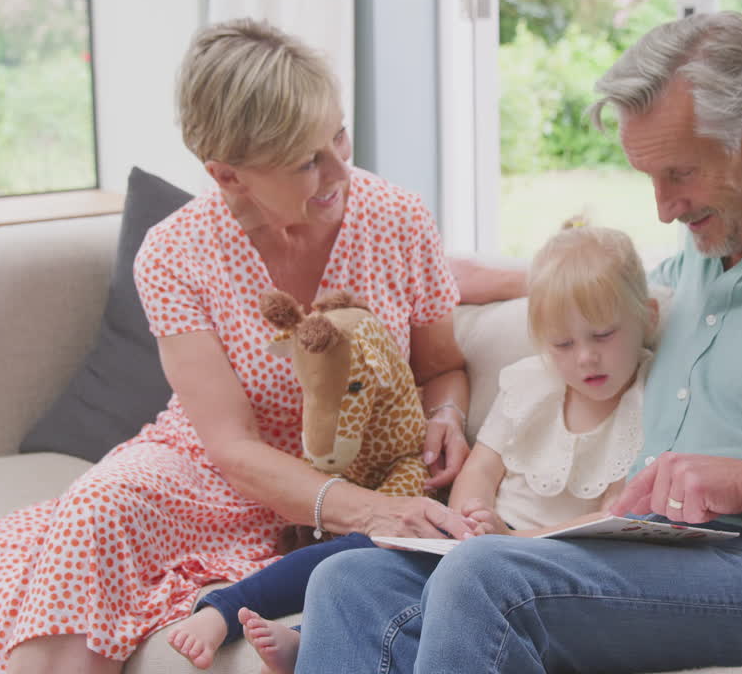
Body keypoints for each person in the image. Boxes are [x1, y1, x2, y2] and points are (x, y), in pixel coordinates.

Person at [289, 11, 742, 673]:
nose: (666, 207)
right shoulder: (717, 237)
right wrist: (503, 277)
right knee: (352, 583)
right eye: (649, 176)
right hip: (647, 548)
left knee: (489, 580)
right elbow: (621, 289)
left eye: (681, 173)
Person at [0, 18, 478, 674]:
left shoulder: (397, 218)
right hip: (214, 476)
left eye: (339, 134)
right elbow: (231, 446)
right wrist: (376, 513)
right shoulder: (174, 253)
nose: (340, 169)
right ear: (229, 175)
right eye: (307, 159)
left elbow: (440, 364)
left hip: (361, 469)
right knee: (98, 508)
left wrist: (445, 415)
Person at [233, 219, 659, 672]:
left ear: (648, 317)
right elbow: (480, 468)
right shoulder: (532, 384)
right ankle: (311, 634)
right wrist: (471, 519)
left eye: (603, 335)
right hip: (485, 540)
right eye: (564, 343)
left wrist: (508, 540)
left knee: (453, 590)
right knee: (341, 574)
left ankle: (311, 637)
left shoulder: (651, 400)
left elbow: (613, 519)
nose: (585, 357)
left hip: (558, 563)